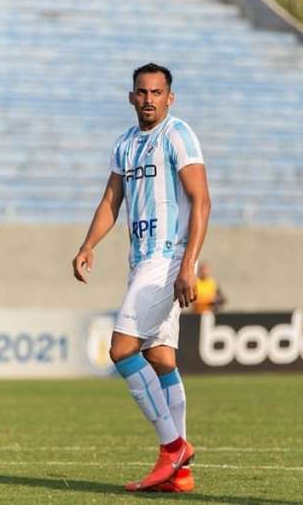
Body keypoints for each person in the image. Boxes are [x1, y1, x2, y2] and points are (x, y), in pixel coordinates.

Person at [72, 63, 210, 493]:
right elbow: (111, 201)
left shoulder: (178, 135)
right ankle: (180, 474)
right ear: (131, 96)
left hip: (167, 260)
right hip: (141, 261)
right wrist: (87, 244)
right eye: (141, 92)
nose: (149, 99)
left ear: (170, 97)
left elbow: (202, 201)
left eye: (157, 92)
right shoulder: (126, 145)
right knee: (161, 359)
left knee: (121, 349)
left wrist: (188, 265)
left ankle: (173, 447)